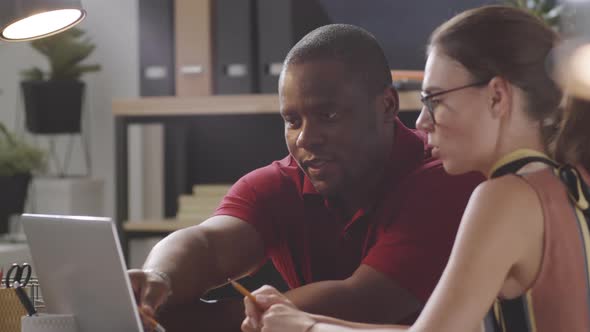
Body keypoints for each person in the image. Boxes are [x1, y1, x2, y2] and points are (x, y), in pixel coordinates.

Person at [241, 5, 590, 332]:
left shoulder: (504, 196)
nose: (422, 122)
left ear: (497, 96)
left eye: (435, 101)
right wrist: (300, 318)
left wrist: (305, 327)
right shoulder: (563, 185)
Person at [129, 24, 482, 330]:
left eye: (327, 115)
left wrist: (172, 321)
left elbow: (365, 301)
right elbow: (207, 245)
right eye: (292, 121)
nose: (305, 138)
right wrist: (158, 281)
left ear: (387, 105)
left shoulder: (446, 175)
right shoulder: (280, 181)